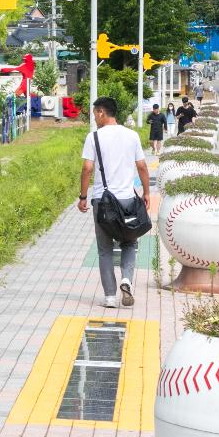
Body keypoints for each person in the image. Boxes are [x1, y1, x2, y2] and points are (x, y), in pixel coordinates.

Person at [78, 96, 151, 308]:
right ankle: (126, 280)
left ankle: (110, 297)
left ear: (101, 112)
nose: (94, 118)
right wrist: (146, 192)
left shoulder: (94, 138)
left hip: (103, 201)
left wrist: (83, 196)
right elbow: (143, 167)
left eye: (95, 114)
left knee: (104, 249)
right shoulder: (132, 135)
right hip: (127, 199)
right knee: (129, 241)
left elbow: (87, 169)